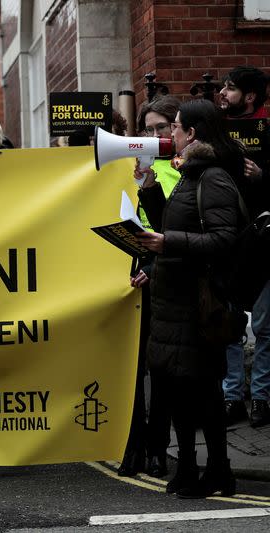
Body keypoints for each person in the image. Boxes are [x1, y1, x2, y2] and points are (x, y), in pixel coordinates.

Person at [136, 99, 243, 498]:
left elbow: (223, 238)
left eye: (175, 127)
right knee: (187, 393)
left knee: (198, 394)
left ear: (192, 134)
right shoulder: (191, 173)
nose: (170, 134)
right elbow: (173, 220)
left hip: (195, 305)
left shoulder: (212, 177)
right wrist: (148, 187)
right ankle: (202, 470)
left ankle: (210, 471)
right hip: (176, 301)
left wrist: (167, 243)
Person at [118, 97, 181, 479]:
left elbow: (175, 229)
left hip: (162, 277)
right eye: (149, 129)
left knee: (160, 372)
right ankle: (132, 446)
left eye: (163, 128)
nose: (155, 136)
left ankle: (158, 448)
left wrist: (153, 266)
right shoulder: (127, 166)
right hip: (129, 274)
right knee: (128, 368)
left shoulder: (180, 170)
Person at [218, 66, 270, 428]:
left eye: (230, 88)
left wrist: (263, 176)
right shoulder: (219, 129)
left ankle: (262, 398)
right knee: (230, 323)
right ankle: (231, 396)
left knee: (266, 325)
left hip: (266, 242)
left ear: (250, 96)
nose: (222, 92)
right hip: (232, 241)